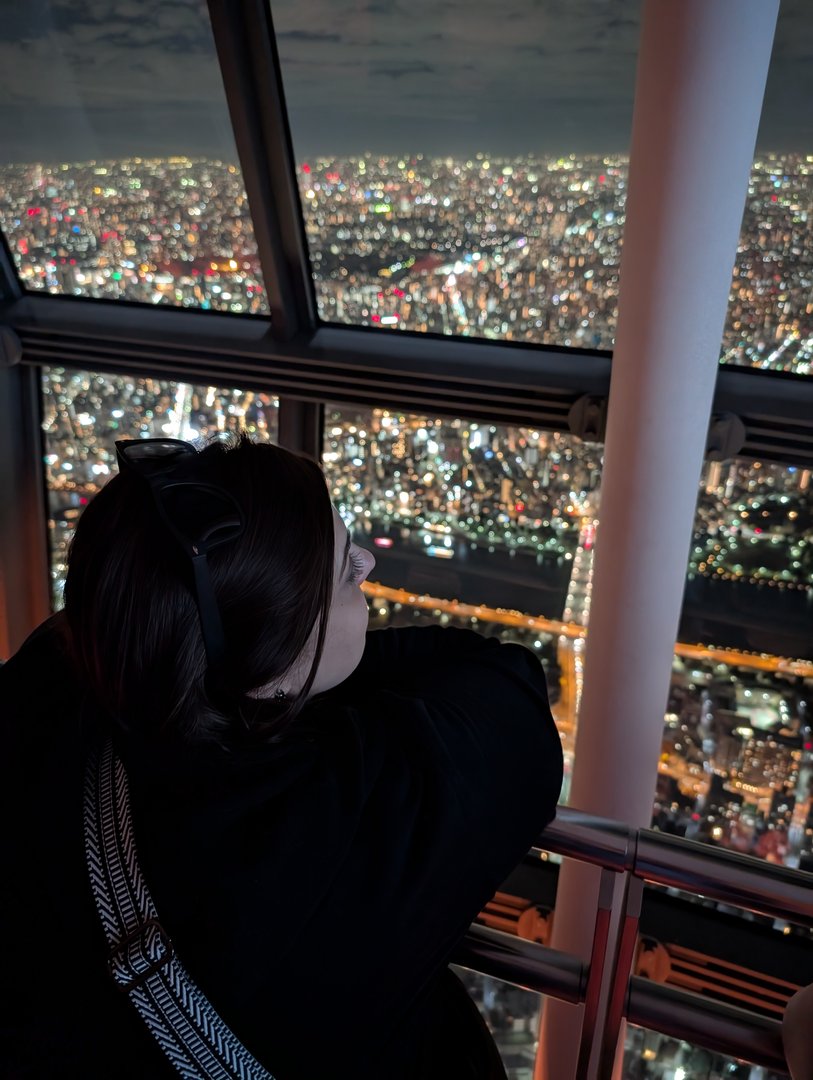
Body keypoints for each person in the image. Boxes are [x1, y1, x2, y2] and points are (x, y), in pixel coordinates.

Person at [0, 433, 563, 1079]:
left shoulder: (49, 691)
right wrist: (299, 684)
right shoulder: (343, 818)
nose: (366, 566)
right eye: (342, 574)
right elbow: (503, 687)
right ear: (268, 671)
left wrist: (262, 669)